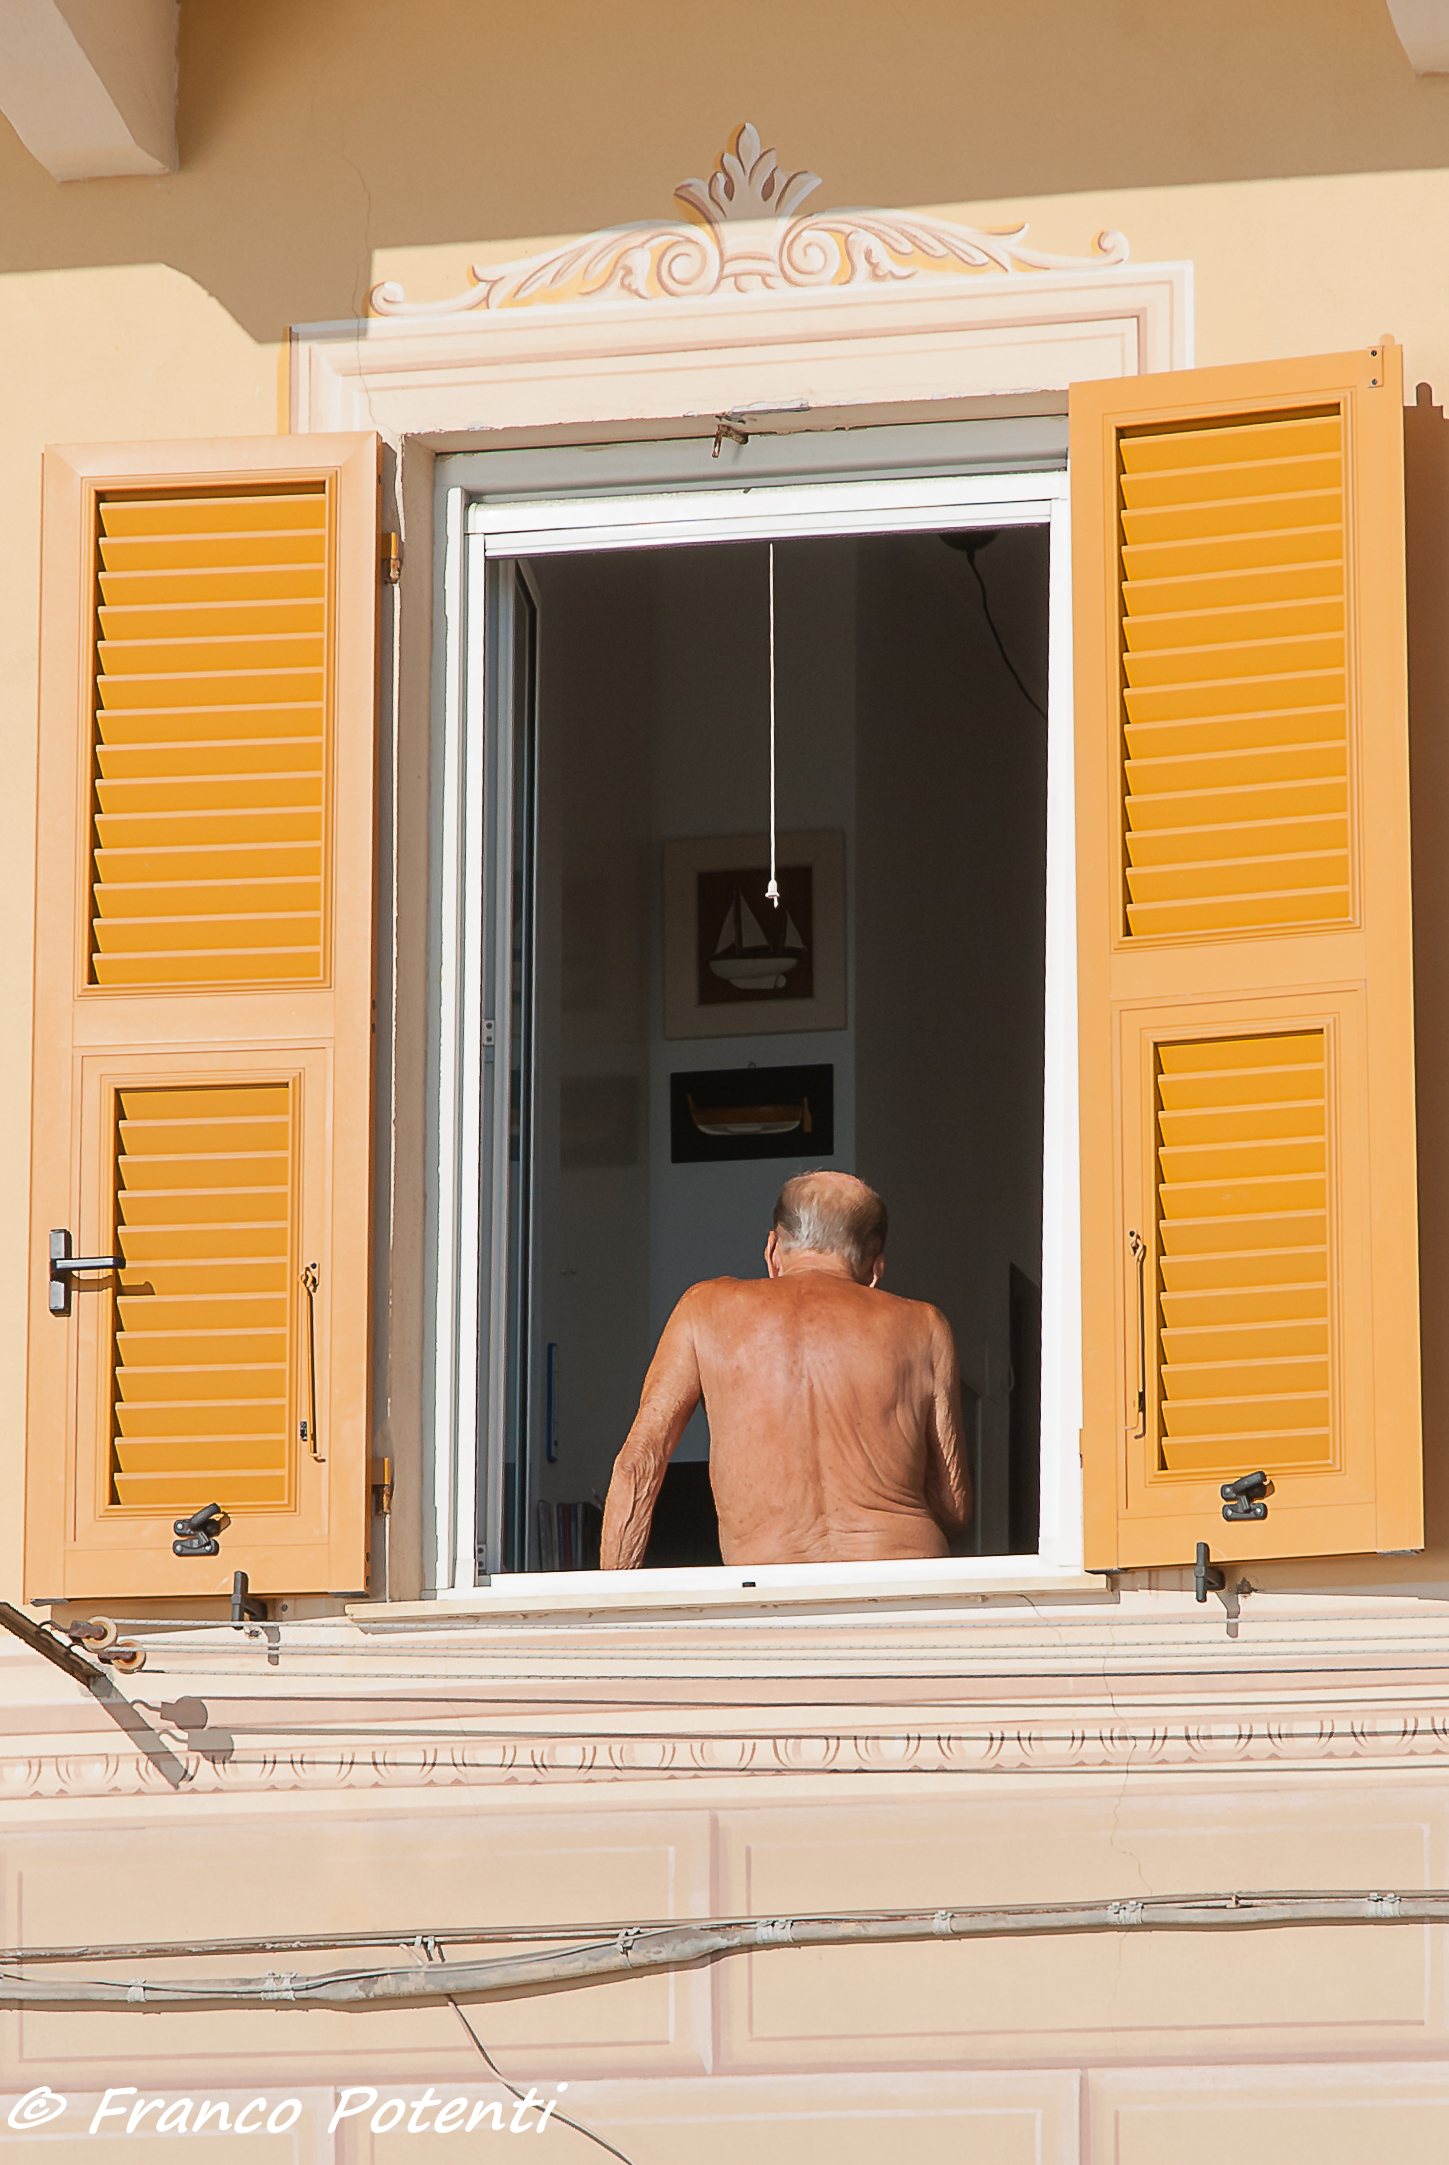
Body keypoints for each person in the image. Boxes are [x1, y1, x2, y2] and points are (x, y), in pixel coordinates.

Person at [600, 1170, 972, 1569]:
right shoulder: (925, 1325)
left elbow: (638, 1463)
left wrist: (611, 1613)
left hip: (772, 1590)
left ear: (772, 1249)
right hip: (903, 1582)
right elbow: (953, 1507)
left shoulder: (703, 1310)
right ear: (875, 1269)